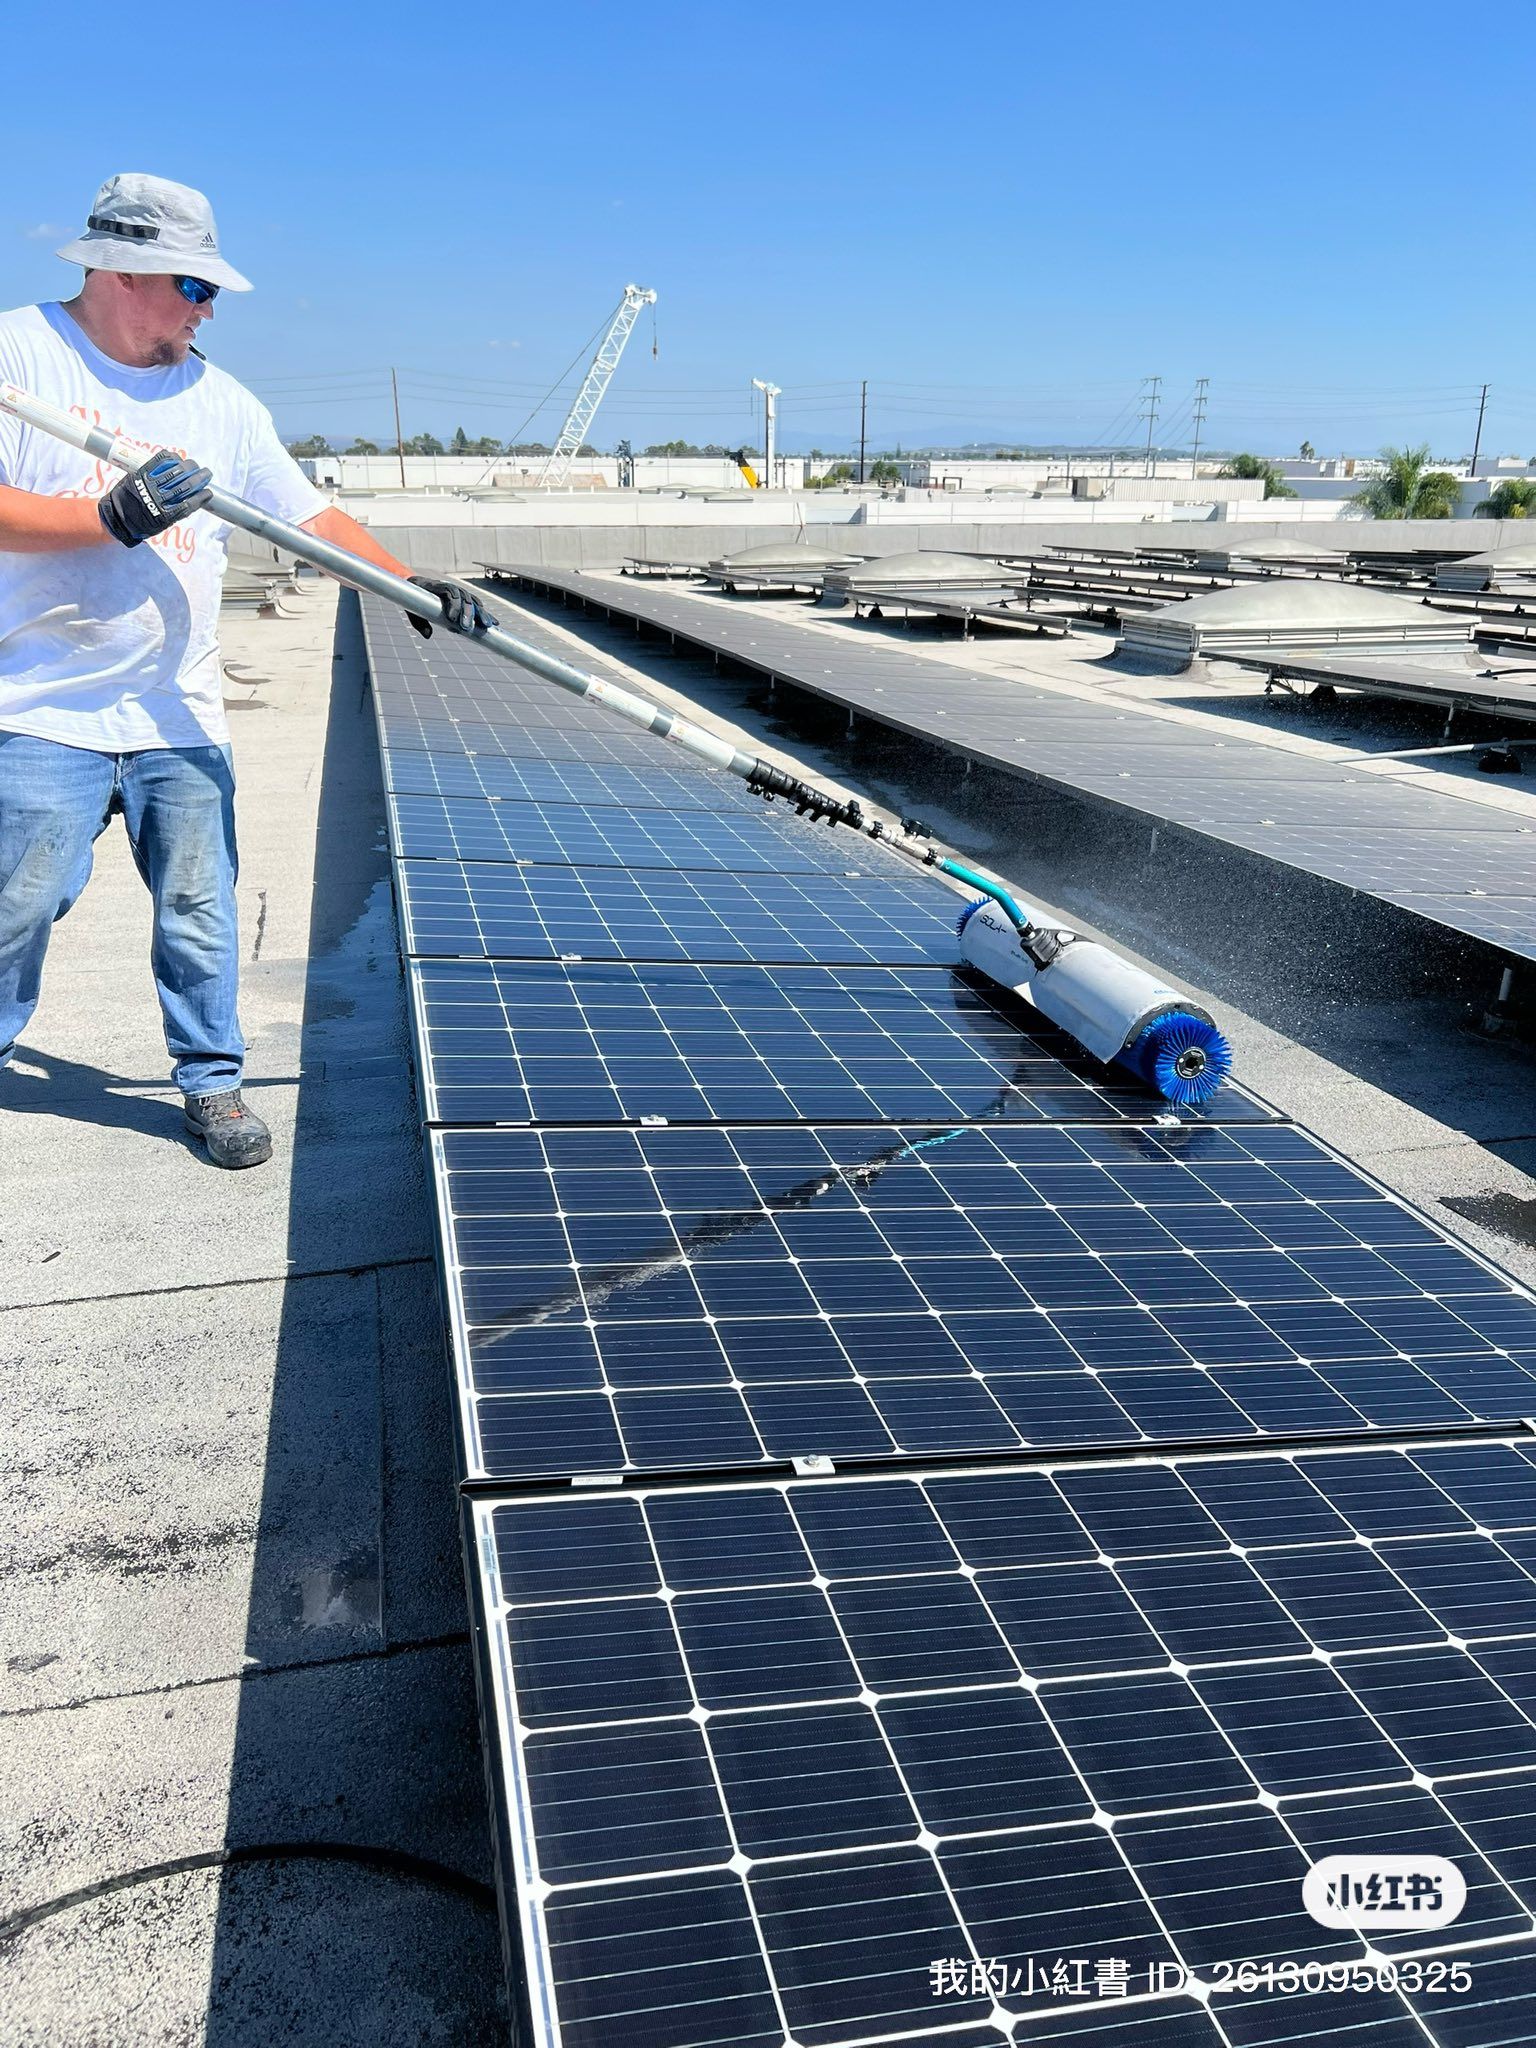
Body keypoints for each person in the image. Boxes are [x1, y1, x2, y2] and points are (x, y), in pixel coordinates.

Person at [0, 172, 493, 1167]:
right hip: (44, 699)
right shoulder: (19, 356)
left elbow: (308, 518)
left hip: (176, 705)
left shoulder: (220, 400)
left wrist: (408, 584)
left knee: (199, 902)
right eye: (193, 285)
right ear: (122, 271)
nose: (208, 307)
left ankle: (213, 1082)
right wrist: (106, 518)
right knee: (20, 895)